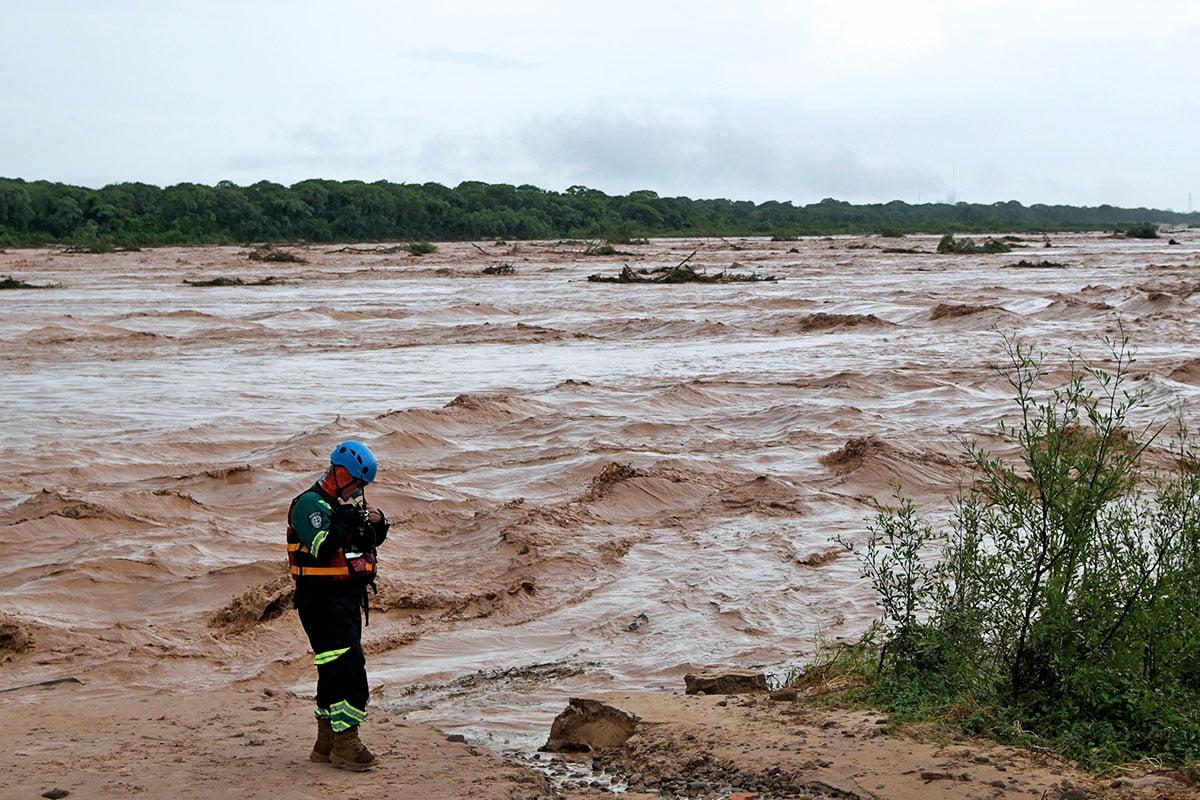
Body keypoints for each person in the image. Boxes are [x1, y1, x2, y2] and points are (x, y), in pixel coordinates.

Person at [286, 440, 390, 770]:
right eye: (357, 483)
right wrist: (346, 520)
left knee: (332, 670)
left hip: (344, 599)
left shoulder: (340, 507)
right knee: (348, 667)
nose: (359, 491)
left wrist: (375, 524)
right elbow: (322, 545)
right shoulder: (308, 506)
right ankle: (347, 742)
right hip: (319, 600)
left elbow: (363, 543)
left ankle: (326, 742)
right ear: (342, 473)